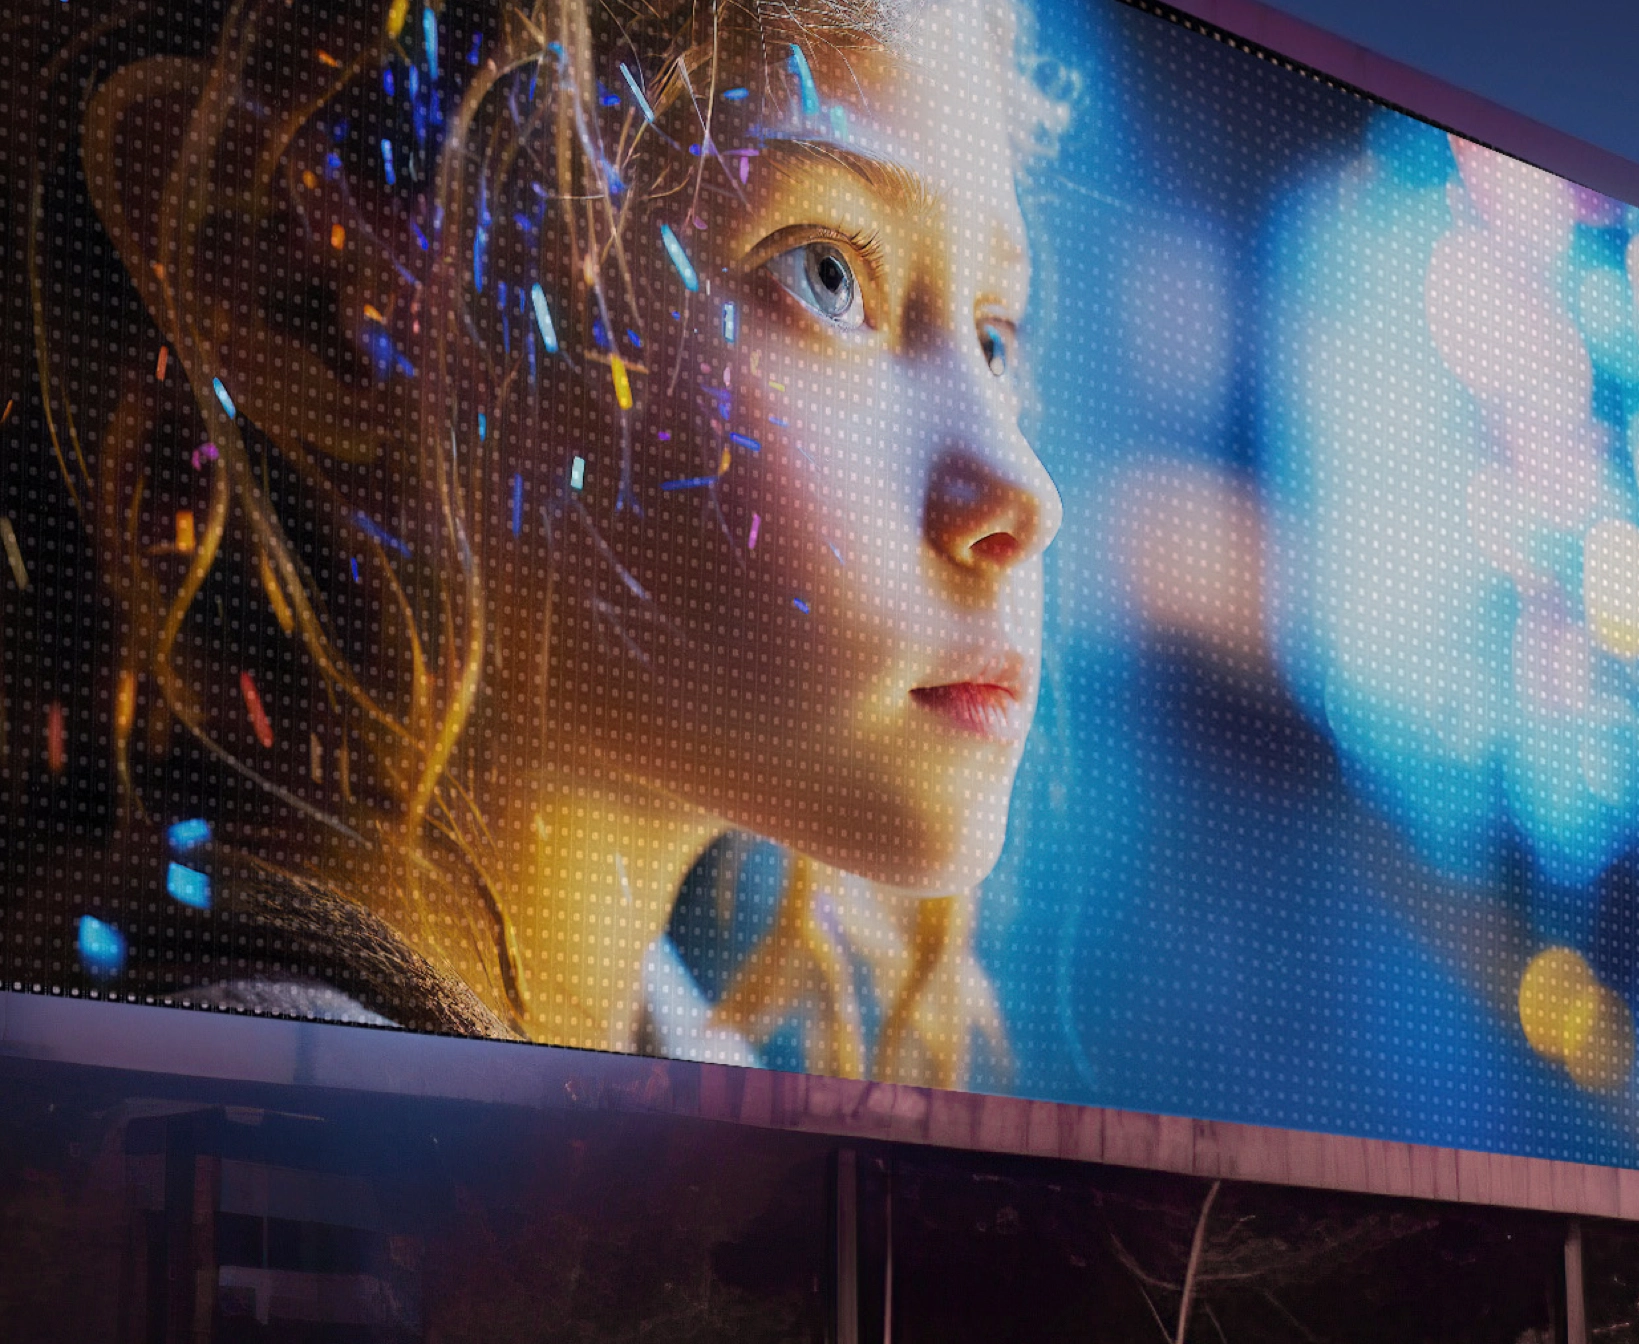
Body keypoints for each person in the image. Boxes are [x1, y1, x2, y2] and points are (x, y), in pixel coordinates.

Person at [11, 0, 1062, 1084]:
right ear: (311, 298)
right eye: (827, 272)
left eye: (994, 339)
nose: (1026, 492)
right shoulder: (240, 1138)